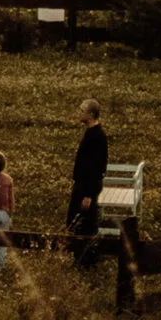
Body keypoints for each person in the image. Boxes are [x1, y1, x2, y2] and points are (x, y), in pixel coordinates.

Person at [68, 98, 108, 266]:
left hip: (87, 188)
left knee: (86, 223)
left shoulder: (98, 137)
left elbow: (97, 168)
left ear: (90, 114)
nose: (79, 113)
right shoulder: (90, 133)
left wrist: (88, 195)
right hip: (82, 185)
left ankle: (87, 260)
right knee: (76, 221)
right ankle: (80, 257)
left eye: (82, 110)